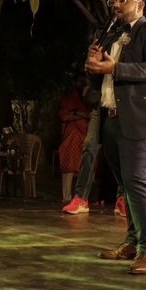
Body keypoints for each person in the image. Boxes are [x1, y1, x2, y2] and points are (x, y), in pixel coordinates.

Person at [85, 0, 146, 274]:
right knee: (125, 185)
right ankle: (133, 241)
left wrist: (114, 68)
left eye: (122, 0)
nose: (115, 5)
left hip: (141, 120)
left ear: (140, 4)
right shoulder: (112, 34)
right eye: (113, 0)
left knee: (136, 181)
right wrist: (93, 66)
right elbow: (103, 80)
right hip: (111, 119)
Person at [57, 74, 90, 203]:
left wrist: (75, 113)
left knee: (87, 165)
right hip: (70, 137)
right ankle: (67, 197)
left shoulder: (87, 98)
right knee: (68, 165)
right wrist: (80, 115)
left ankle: (83, 198)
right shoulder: (68, 98)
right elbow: (64, 116)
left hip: (85, 136)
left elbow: (90, 115)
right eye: (80, 81)